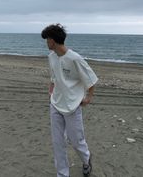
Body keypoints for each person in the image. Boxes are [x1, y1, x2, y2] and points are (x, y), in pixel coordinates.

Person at [41, 24, 98, 177]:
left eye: (47, 39)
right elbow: (53, 77)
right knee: (58, 143)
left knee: (76, 141)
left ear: (52, 41)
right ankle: (62, 174)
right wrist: (50, 91)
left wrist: (88, 98)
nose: (46, 42)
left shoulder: (75, 58)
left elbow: (91, 80)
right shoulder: (51, 56)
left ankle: (86, 159)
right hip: (55, 104)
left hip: (73, 106)